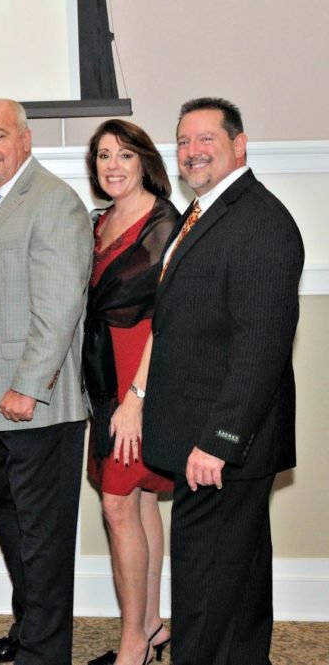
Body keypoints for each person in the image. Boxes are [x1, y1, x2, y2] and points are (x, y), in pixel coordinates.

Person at [142, 98, 303, 665]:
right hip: (203, 441)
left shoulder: (260, 223)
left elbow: (260, 347)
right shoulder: (206, 214)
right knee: (236, 588)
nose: (192, 151)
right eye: (184, 141)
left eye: (206, 138)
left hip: (218, 448)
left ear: (240, 143)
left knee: (205, 594)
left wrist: (220, 441)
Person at [0, 98, 92, 664]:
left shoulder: (54, 202)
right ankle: (28, 632)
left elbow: (58, 309)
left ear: (26, 140)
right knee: (17, 535)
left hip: (35, 407)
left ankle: (45, 652)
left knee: (43, 540)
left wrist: (28, 386)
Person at [81, 120, 179, 665]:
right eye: (102, 157)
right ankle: (151, 626)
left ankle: (133, 644)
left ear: (144, 160)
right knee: (139, 500)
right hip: (104, 374)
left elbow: (168, 319)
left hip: (140, 377)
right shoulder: (99, 222)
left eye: (123, 154)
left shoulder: (167, 223)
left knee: (118, 503)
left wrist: (136, 399)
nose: (112, 166)